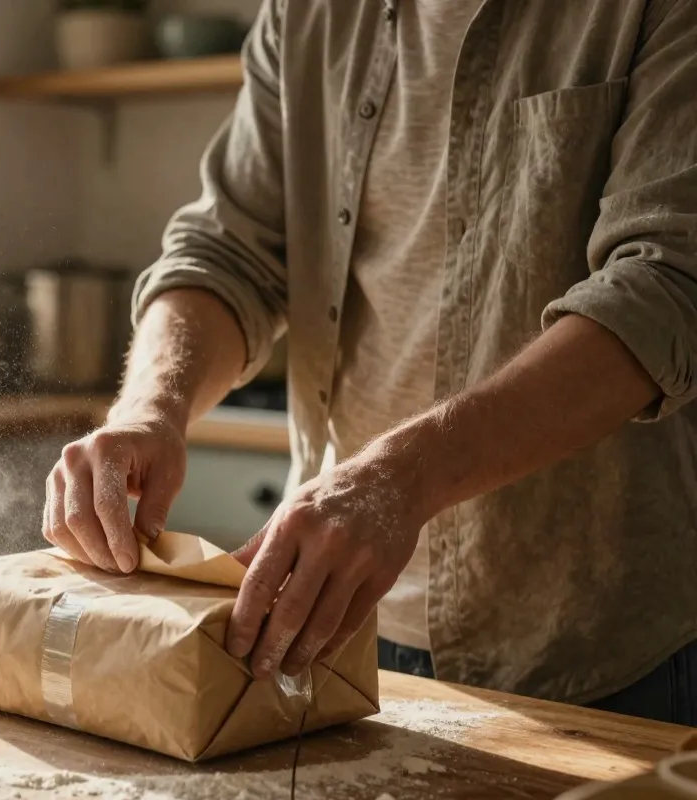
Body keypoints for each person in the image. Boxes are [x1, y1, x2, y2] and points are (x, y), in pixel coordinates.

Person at [41, 0, 697, 726]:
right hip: (334, 627)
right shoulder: (305, 14)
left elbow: (666, 290)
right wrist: (150, 409)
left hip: (593, 644)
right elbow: (227, 252)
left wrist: (399, 479)